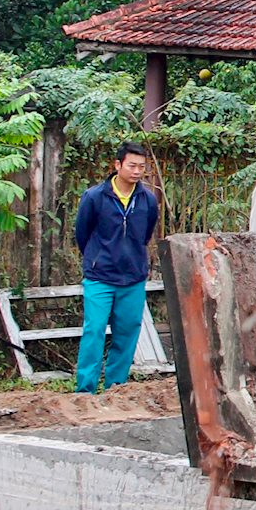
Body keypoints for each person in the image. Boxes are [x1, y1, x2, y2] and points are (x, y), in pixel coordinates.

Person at [74, 141, 162, 393]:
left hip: (133, 278)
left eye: (141, 167)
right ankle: (85, 389)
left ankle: (116, 387)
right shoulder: (95, 197)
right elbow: (83, 233)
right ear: (118, 165)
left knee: (127, 332)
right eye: (132, 165)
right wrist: (96, 258)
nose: (136, 171)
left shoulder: (147, 199)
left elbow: (146, 234)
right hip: (100, 277)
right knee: (94, 330)